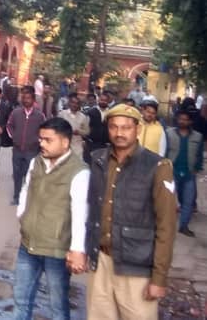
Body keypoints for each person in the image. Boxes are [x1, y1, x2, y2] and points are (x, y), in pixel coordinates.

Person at [85, 104, 177, 320]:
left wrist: (159, 278)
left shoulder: (157, 166)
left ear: (138, 129)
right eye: (114, 127)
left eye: (126, 127)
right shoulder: (98, 159)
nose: (119, 133)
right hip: (101, 261)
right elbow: (89, 208)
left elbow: (166, 225)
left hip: (136, 265)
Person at [14, 118, 90, 320]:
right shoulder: (36, 162)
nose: (42, 143)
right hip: (28, 246)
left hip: (57, 250)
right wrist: (22, 215)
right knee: (21, 301)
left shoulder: (79, 171)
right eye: (41, 139)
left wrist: (77, 249)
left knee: (58, 306)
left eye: (48, 140)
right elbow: (25, 189)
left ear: (65, 142)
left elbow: (80, 211)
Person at [166, 110, 204, 237]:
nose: (182, 121)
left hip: (189, 174)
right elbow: (164, 151)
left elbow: (199, 155)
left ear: (190, 121)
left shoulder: (197, 136)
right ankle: (164, 226)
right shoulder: (169, 133)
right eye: (180, 119)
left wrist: (197, 168)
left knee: (188, 201)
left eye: (185, 119)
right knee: (167, 200)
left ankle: (184, 226)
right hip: (172, 172)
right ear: (177, 119)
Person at [7, 86, 46, 205]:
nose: (26, 100)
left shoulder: (39, 115)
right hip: (17, 149)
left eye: (28, 98)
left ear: (33, 100)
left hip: (31, 150)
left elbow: (44, 130)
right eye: (24, 98)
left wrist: (38, 140)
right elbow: (9, 125)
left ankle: (27, 198)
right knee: (17, 174)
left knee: (29, 174)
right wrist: (14, 137)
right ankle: (16, 197)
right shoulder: (16, 112)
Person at [84, 90, 112, 164]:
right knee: (92, 163)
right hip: (93, 143)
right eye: (102, 100)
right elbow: (86, 127)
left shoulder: (111, 113)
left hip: (106, 144)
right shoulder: (91, 112)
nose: (103, 102)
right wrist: (87, 139)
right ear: (98, 100)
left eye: (105, 100)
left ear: (108, 101)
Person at [58, 93, 90, 157]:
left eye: (77, 103)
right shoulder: (62, 114)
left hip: (77, 147)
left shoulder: (83, 117)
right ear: (69, 103)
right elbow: (57, 128)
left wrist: (79, 132)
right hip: (63, 146)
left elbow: (87, 132)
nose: (74, 105)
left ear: (79, 105)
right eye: (73, 102)